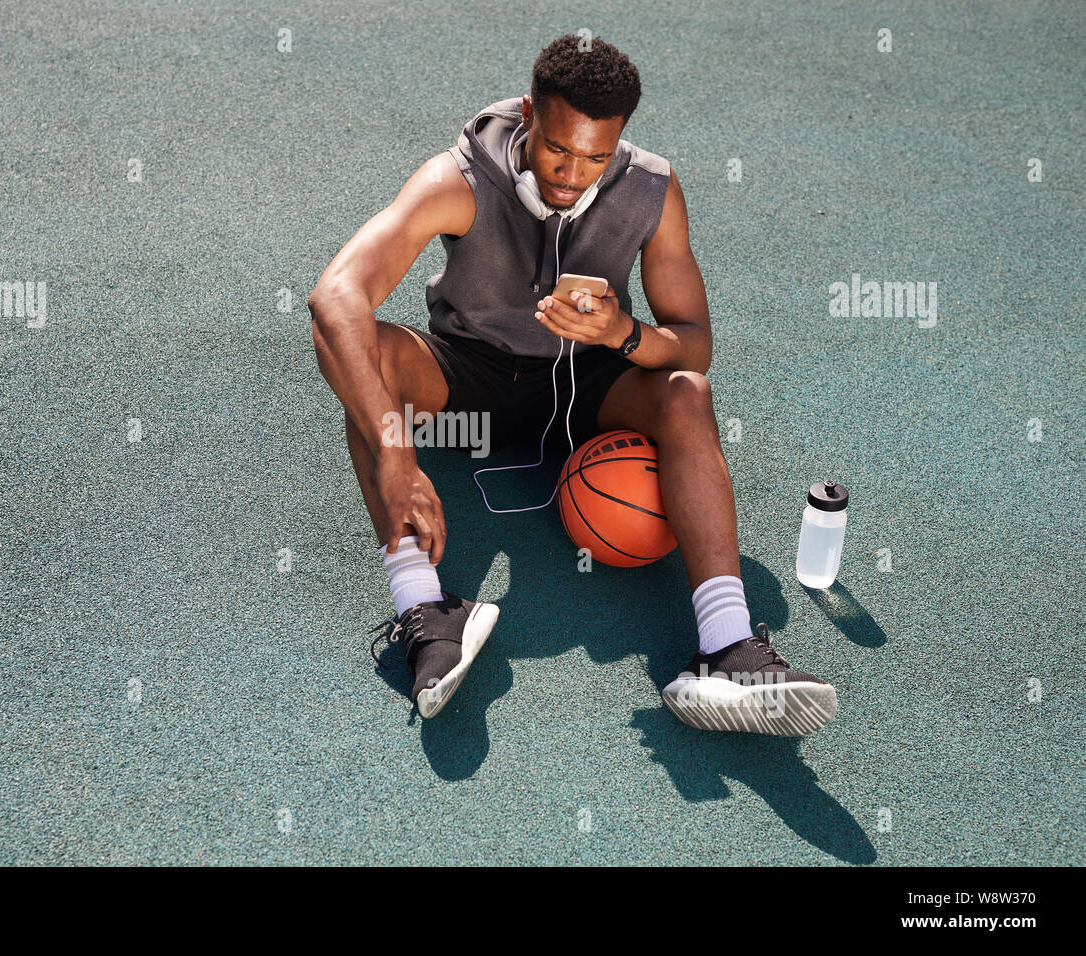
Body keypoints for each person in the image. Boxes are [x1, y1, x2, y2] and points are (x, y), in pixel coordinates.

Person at [309, 35, 837, 735]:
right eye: (558, 149)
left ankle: (727, 645)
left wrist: (622, 333)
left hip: (591, 386)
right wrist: (397, 453)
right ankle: (425, 608)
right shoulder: (458, 180)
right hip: (469, 383)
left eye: (596, 157)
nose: (572, 173)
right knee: (361, 364)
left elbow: (695, 344)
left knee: (686, 392)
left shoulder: (652, 190)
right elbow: (334, 297)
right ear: (530, 114)